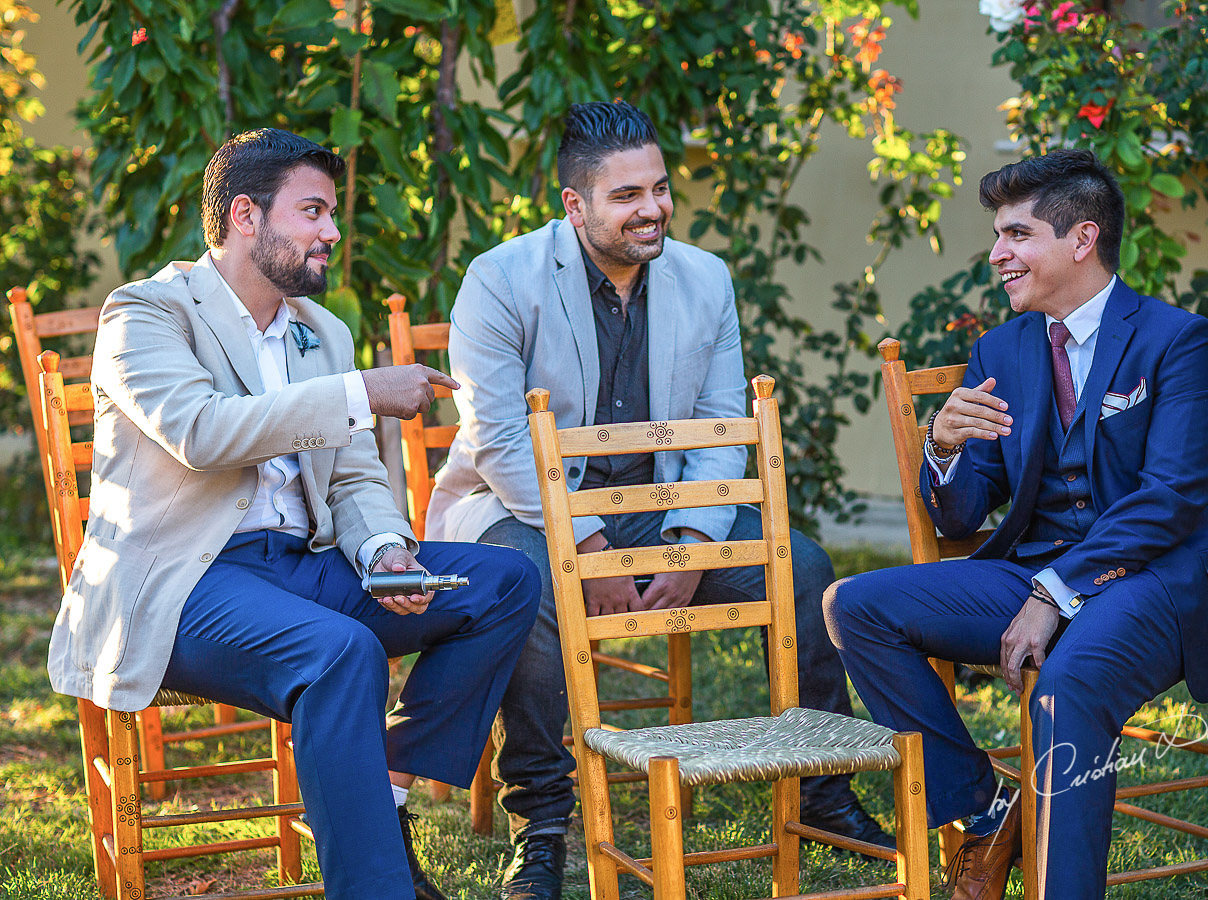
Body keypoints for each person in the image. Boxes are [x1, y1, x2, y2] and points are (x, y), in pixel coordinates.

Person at [45, 128, 541, 900]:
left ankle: (379, 797)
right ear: (246, 215)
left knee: (505, 580)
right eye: (313, 211)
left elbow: (352, 476)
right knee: (343, 654)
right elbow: (202, 432)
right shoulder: (144, 314)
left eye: (332, 213)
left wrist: (383, 550)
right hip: (182, 584)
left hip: (303, 567)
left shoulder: (324, 330)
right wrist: (360, 395)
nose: (332, 232)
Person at [425, 100, 891, 900]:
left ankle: (823, 793)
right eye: (627, 196)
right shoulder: (499, 280)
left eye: (661, 189)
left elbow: (717, 422)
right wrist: (593, 547)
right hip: (520, 504)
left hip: (666, 502)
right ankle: (540, 818)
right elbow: (501, 442)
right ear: (574, 205)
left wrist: (692, 537)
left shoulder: (704, 277)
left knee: (806, 569)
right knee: (529, 586)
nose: (653, 209)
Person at [823, 149, 1208, 900]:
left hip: (1157, 579)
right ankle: (986, 804)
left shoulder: (1173, 340)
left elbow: (1172, 498)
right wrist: (944, 446)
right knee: (854, 607)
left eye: (1017, 235)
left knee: (1067, 684)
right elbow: (966, 512)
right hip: (1035, 574)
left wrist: (1055, 590)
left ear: (1082, 239)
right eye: (999, 236)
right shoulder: (1002, 348)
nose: (998, 254)